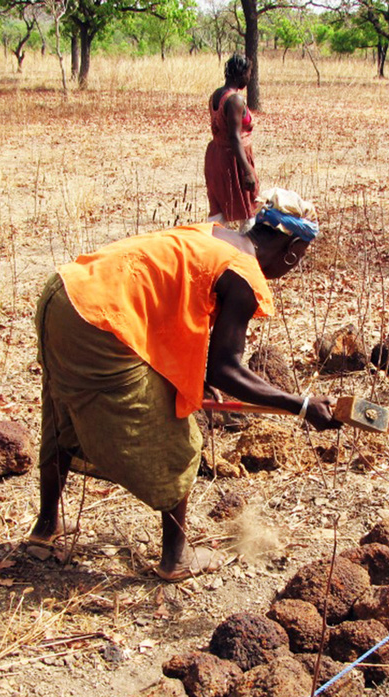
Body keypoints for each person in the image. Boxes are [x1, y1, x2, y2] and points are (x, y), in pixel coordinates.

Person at [31, 189, 340, 582]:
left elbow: (169, 308)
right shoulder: (243, 273)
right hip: (97, 321)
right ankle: (175, 559)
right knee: (181, 444)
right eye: (301, 257)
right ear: (294, 248)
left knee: (62, 410)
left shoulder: (217, 235)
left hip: (64, 293)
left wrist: (192, 375)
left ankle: (45, 527)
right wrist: (301, 404)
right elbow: (226, 370)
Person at [205, 53, 259, 232]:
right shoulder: (235, 100)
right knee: (248, 212)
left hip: (216, 156)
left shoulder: (216, 95)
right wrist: (247, 170)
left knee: (218, 211)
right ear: (241, 74)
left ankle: (213, 250)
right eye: (248, 74)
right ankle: (245, 255)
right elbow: (234, 137)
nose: (249, 78)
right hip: (233, 159)